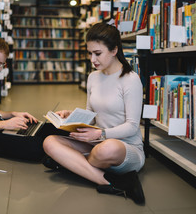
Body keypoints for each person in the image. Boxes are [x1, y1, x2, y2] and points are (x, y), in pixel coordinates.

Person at [42, 23, 145, 204]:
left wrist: (101, 133)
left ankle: (71, 165)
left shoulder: (130, 80)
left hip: (125, 147)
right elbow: (91, 114)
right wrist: (71, 115)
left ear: (114, 50)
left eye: (97, 53)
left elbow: (132, 126)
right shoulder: (93, 77)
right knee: (49, 142)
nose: (92, 59)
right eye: (89, 53)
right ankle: (112, 182)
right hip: (96, 142)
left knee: (107, 148)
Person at [0, 34, 66, 161]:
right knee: (35, 146)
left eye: (2, 64)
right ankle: (63, 152)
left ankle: (69, 147)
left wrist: (13, 114)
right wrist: (4, 124)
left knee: (49, 128)